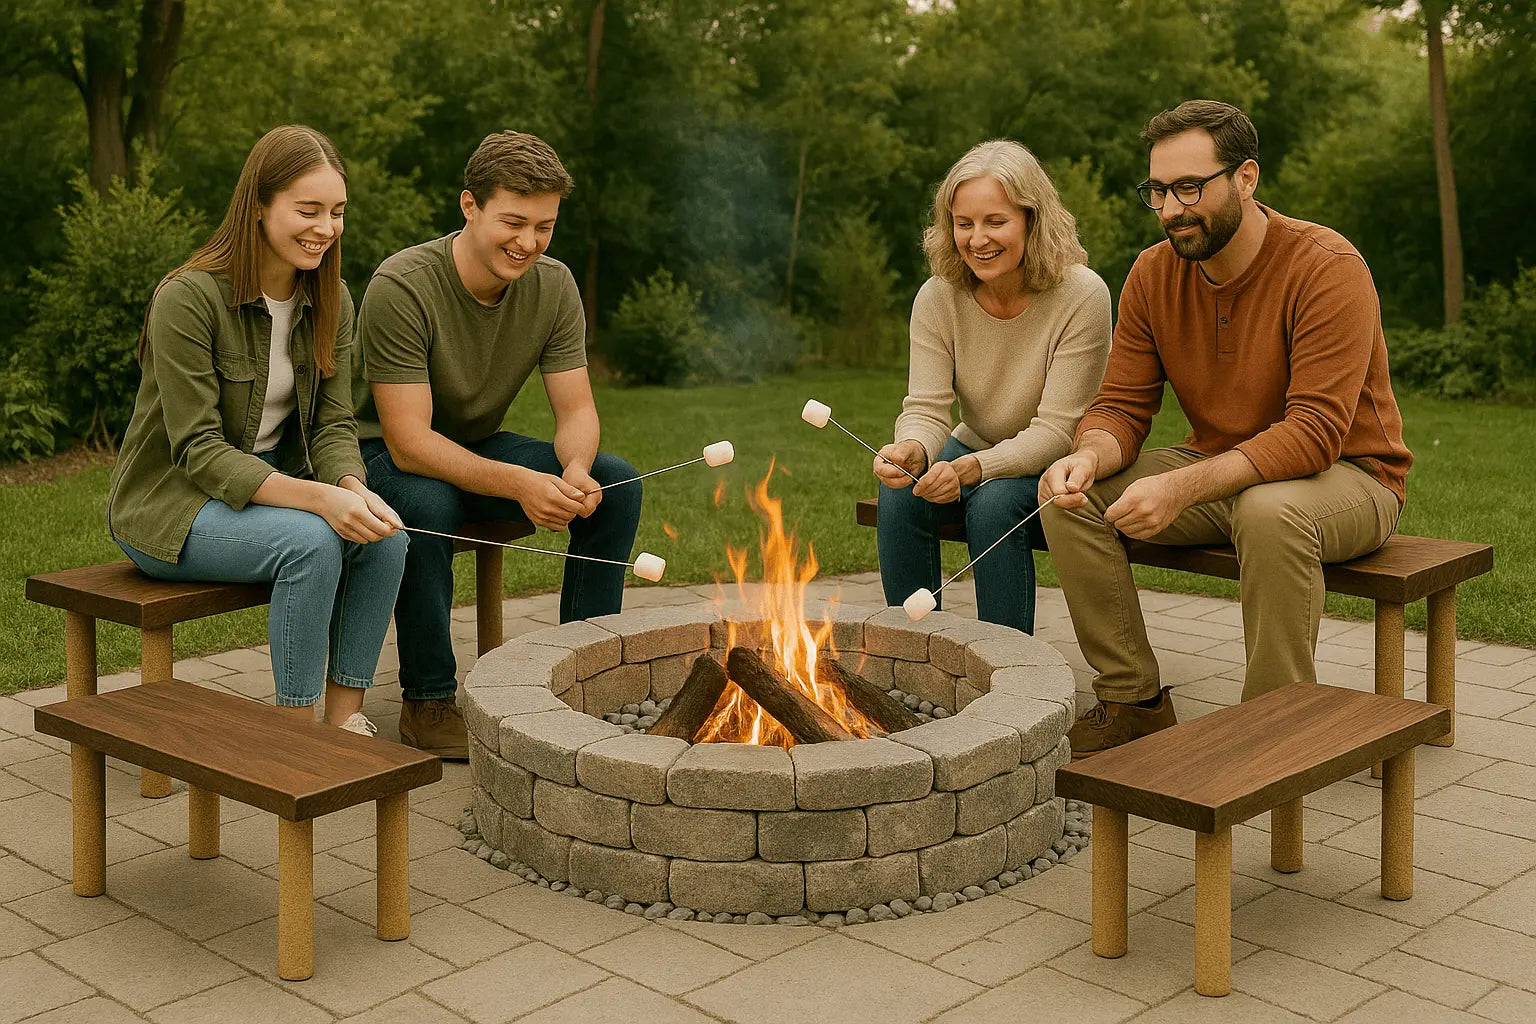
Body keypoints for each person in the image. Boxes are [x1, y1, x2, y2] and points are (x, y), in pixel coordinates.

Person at [1039, 100, 1411, 757]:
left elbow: (1314, 432)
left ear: (1246, 178)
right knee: (1066, 496)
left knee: (1269, 512)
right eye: (1158, 191)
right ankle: (1133, 700)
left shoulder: (1327, 265)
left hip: (1351, 476)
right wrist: (1090, 455)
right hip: (1224, 467)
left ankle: (1273, 728)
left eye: (1189, 187)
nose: (1171, 209)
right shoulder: (1153, 273)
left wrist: (1181, 489)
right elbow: (1121, 406)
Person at [108, 125, 408, 734]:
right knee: (312, 542)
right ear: (259, 206)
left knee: (386, 538)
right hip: (171, 506)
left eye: (337, 212)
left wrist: (351, 487)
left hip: (266, 492)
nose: (325, 227)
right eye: (308, 210)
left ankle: (343, 723)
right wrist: (317, 500)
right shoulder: (188, 299)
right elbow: (199, 449)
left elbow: (334, 424)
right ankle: (294, 735)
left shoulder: (333, 300)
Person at [355, 130, 642, 759]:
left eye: (544, 227)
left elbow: (577, 407)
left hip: (474, 442)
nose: (528, 242)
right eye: (513, 222)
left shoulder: (554, 285)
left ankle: (584, 678)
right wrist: (518, 483)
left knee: (614, 486)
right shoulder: (402, 285)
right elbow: (408, 444)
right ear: (470, 206)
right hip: (379, 453)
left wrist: (573, 469)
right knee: (426, 505)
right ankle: (428, 701)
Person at [874, 140, 1112, 634]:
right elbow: (926, 407)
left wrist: (975, 469)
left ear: (1031, 219)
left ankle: (1010, 666)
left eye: (995, 221)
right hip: (975, 446)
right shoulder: (939, 295)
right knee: (899, 494)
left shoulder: (1083, 295)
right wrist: (913, 448)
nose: (977, 239)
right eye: (964, 223)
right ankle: (912, 649)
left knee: (992, 505)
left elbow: (1057, 431)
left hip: (1057, 461)